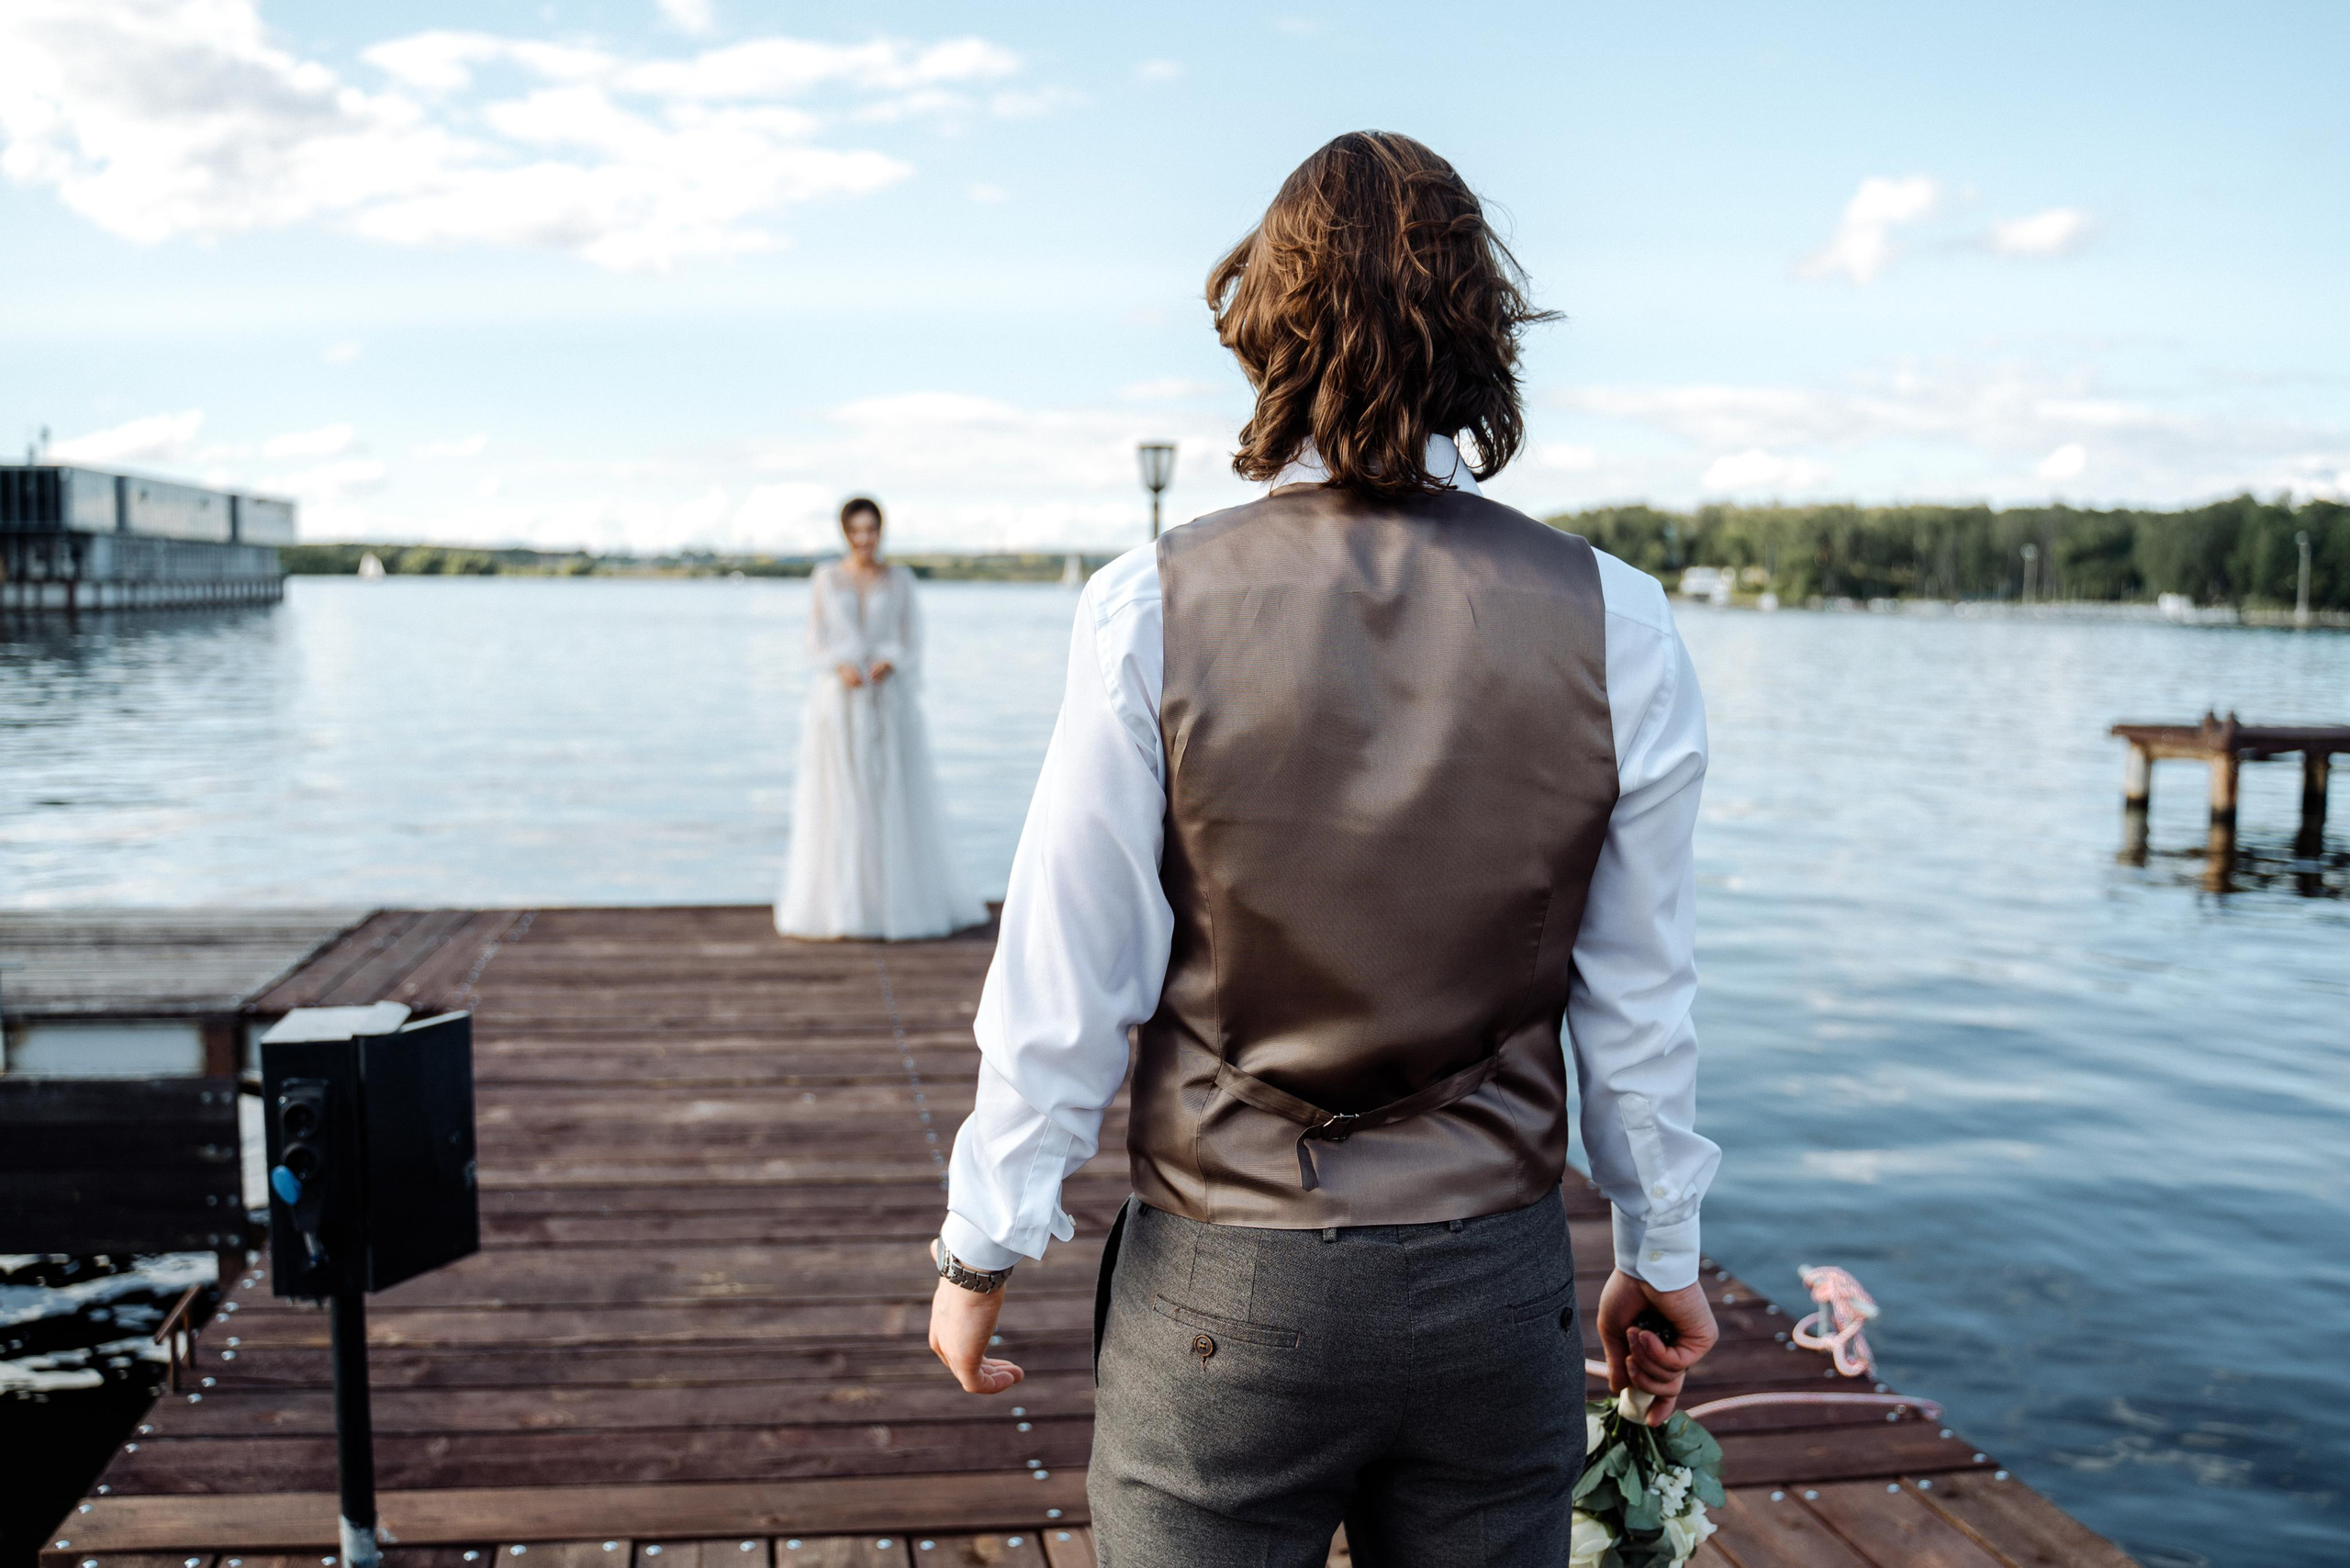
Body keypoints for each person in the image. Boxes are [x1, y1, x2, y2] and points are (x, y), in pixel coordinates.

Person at [928, 132, 1722, 1566]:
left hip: (1225, 1297)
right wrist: (1660, 1257)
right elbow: (1639, 998)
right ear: (1481, 334)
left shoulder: (1151, 608)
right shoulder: (1622, 621)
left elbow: (1069, 976)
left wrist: (982, 1241)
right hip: (1496, 1288)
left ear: (1268, 327)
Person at [776, 497, 985, 941]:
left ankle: (894, 905)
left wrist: (891, 661)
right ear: (845, 533)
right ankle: (843, 906)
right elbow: (814, 640)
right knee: (842, 798)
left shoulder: (900, 579)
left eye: (872, 530)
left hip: (889, 702)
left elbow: (913, 638)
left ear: (881, 531)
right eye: (857, 531)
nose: (865, 539)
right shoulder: (826, 578)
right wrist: (839, 664)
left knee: (891, 798)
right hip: (839, 705)